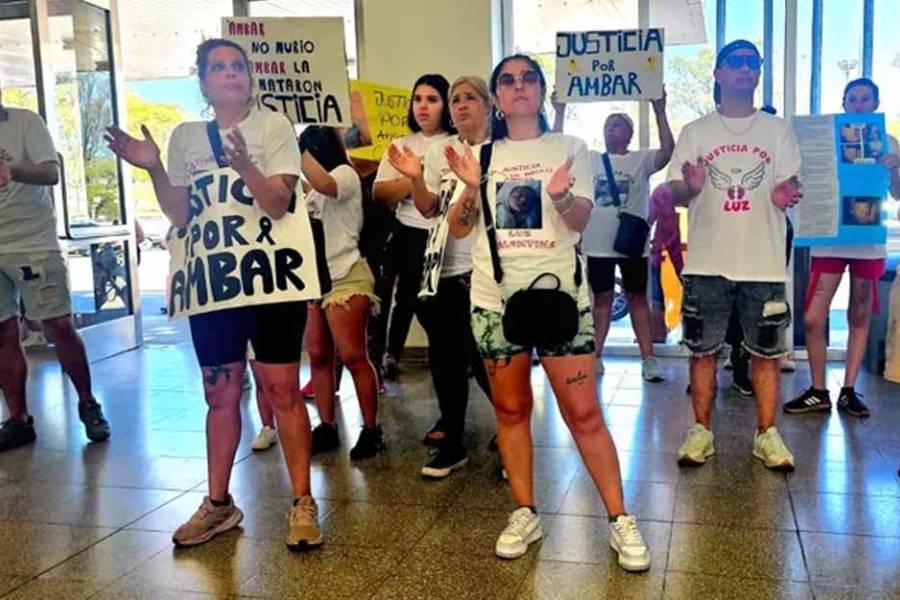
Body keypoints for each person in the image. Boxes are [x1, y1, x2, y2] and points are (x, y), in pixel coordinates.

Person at [106, 38, 323, 549]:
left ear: (250, 77)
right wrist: (155, 168)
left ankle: (302, 500)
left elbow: (278, 204)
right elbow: (180, 215)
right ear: (203, 82)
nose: (230, 74)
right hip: (216, 286)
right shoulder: (185, 137)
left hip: (272, 281)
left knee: (283, 390)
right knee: (219, 393)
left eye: (238, 66)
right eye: (219, 67)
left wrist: (244, 165)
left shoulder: (274, 127)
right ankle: (219, 503)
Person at [446, 54, 650, 572]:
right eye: (507, 80)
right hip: (494, 300)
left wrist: (559, 198)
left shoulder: (570, 147)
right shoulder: (479, 154)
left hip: (562, 296)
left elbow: (580, 220)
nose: (519, 87)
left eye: (528, 79)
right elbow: (460, 228)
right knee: (511, 411)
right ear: (497, 97)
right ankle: (525, 511)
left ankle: (620, 517)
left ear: (541, 90)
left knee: (583, 413)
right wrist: (470, 185)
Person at [667, 40, 803, 471]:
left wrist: (785, 194)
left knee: (766, 352)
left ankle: (766, 433)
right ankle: (700, 431)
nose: (745, 68)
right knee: (702, 350)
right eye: (736, 61)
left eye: (752, 62)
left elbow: (789, 185)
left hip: (762, 262)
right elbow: (673, 192)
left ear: (759, 73)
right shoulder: (696, 132)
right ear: (719, 74)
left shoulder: (778, 131)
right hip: (707, 262)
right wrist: (689, 187)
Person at [386, 75, 494, 478]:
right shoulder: (441, 152)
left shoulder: (498, 151)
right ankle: (453, 442)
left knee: (486, 362)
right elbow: (429, 209)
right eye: (455, 99)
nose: (461, 105)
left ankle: (512, 433)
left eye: (470, 98)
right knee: (445, 361)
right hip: (443, 269)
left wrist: (473, 185)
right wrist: (415, 177)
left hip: (482, 272)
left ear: (488, 105)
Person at [0, 84, 110, 451]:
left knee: (58, 326)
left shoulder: (24, 122)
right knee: (3, 333)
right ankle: (18, 419)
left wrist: (11, 169)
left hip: (33, 243)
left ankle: (88, 403)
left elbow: (50, 172)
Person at [785, 77, 900, 418]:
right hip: (828, 239)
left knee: (859, 315)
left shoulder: (889, 142)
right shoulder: (824, 139)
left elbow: (897, 194)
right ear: (844, 104)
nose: (859, 104)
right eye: (853, 99)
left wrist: (895, 168)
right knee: (813, 317)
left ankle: (848, 390)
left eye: (866, 99)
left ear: (875, 104)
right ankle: (818, 389)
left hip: (867, 241)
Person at [553, 93, 674, 380]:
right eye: (608, 124)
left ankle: (648, 359)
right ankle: (595, 357)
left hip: (632, 246)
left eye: (618, 124)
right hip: (597, 245)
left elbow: (668, 151)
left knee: (637, 300)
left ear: (629, 133)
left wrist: (660, 111)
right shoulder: (591, 159)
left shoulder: (641, 159)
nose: (611, 129)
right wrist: (560, 110)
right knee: (602, 301)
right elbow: (557, 149)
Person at [299, 126, 384, 459]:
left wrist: (293, 149)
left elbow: (326, 184)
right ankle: (326, 426)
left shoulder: (345, 175)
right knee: (319, 356)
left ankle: (371, 429)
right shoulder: (311, 193)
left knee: (352, 356)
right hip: (315, 281)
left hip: (347, 275)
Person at [372, 75, 454, 381]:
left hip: (445, 236)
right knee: (403, 299)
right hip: (407, 232)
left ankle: (449, 360)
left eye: (432, 100)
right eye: (418, 99)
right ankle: (390, 355)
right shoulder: (401, 145)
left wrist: (411, 182)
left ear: (445, 105)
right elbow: (380, 193)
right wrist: (415, 179)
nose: (423, 106)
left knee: (437, 305)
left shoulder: (456, 144)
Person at [647, 183, 683, 343]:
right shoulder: (664, 194)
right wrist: (679, 267)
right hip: (661, 254)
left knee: (656, 295)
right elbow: (671, 235)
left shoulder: (661, 192)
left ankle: (656, 332)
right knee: (657, 295)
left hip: (657, 253)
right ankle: (657, 332)